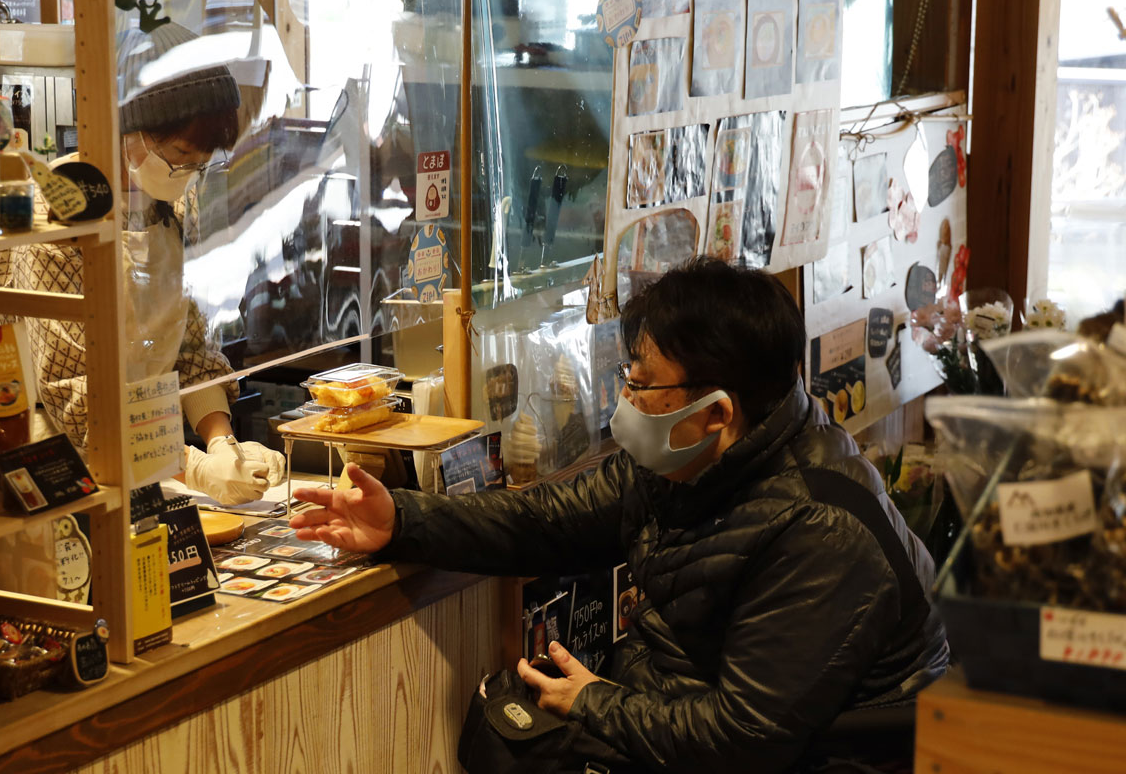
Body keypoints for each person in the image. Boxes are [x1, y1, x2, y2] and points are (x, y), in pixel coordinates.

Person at [291, 258, 949, 772]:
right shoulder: (685, 460)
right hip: (698, 721)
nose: (624, 399)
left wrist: (595, 702)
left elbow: (746, 739)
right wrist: (401, 521)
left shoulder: (821, 529)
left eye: (640, 383)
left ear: (718, 411)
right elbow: (545, 521)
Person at [0, 23, 284, 504]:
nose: (189, 174)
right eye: (182, 155)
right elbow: (74, 395)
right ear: (130, 131)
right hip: (66, 467)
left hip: (153, 457)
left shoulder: (177, 206)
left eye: (200, 162)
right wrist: (194, 467)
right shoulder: (57, 215)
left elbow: (189, 348)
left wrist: (221, 441)